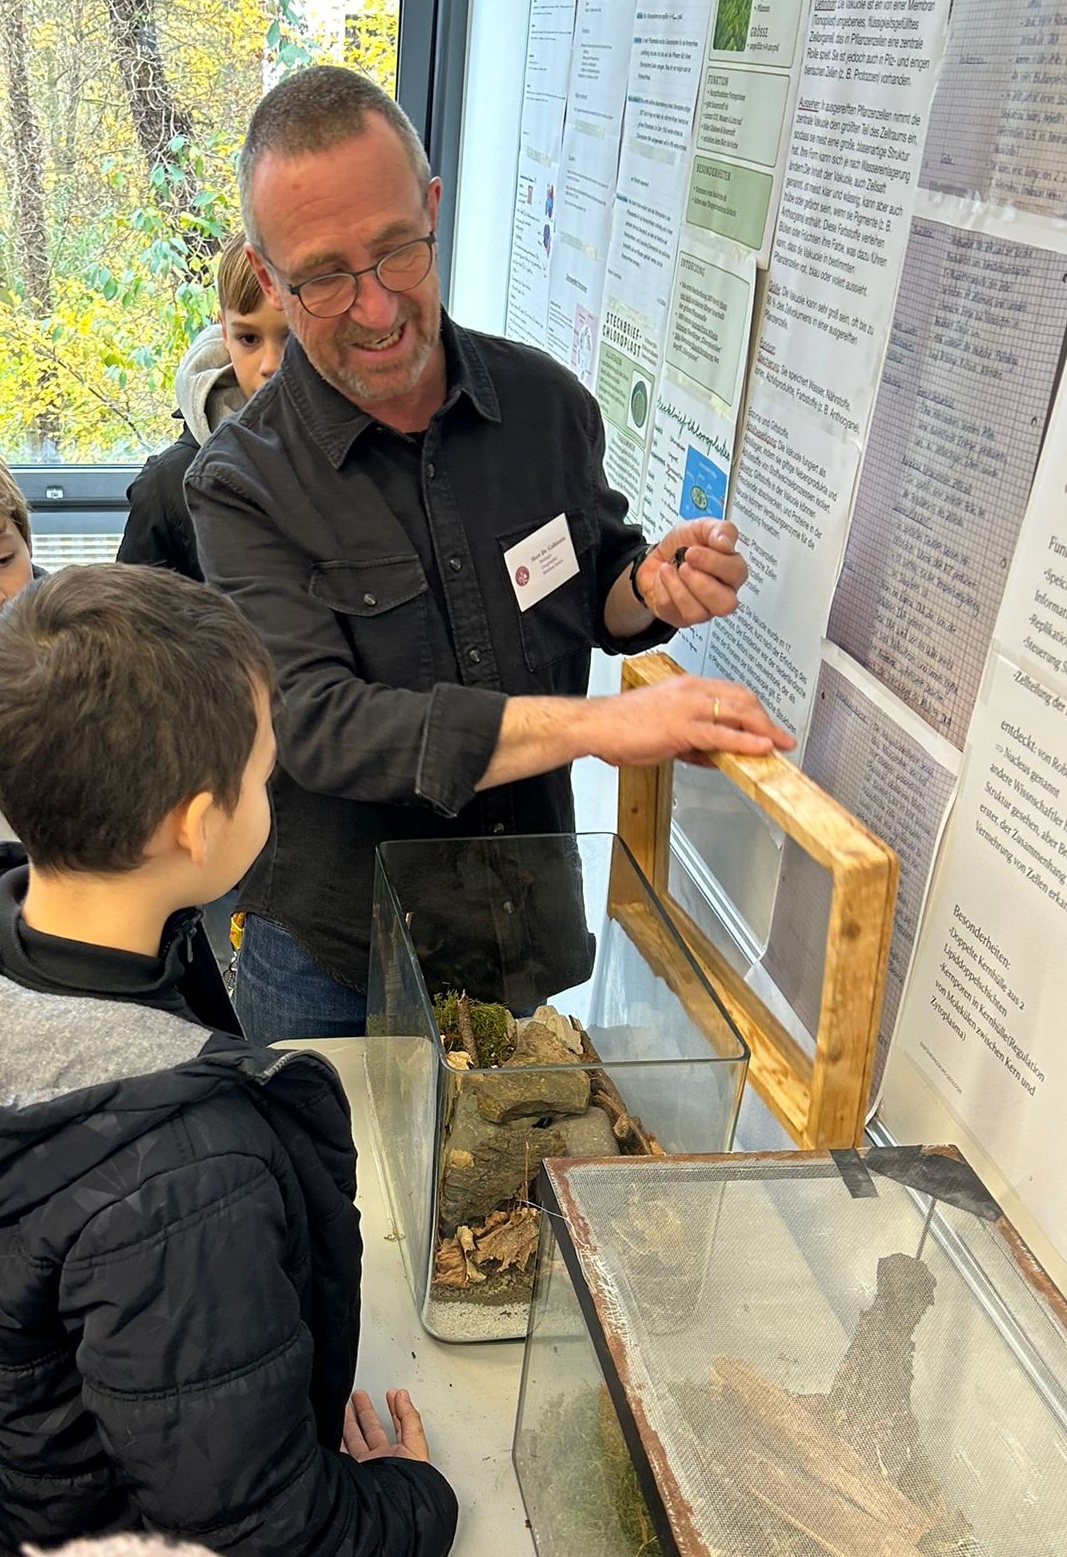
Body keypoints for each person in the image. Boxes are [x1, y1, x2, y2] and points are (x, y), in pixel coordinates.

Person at [185, 65, 795, 1044]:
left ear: (432, 212)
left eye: (396, 254)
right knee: (329, 1194)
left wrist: (647, 587)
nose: (377, 310)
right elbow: (320, 726)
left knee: (501, 1185)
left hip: (517, 931)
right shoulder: (241, 485)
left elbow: (588, 580)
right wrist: (596, 730)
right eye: (326, 278)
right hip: (337, 964)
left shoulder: (546, 408)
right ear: (266, 275)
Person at [0, 565, 457, 1557]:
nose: (270, 790)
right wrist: (410, 1505)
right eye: (261, 774)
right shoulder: (185, 1173)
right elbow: (261, 1534)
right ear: (198, 825)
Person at [117, 231, 288, 579]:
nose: (271, 363)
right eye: (249, 338)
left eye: (292, 336)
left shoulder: (376, 446)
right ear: (224, 333)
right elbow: (127, 629)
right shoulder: (168, 483)